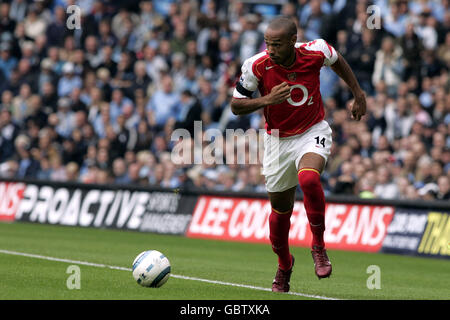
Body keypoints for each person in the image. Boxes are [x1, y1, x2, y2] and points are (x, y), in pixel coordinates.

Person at [230, 16, 366, 292]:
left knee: (309, 180)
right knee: (280, 214)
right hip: (277, 142)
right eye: (268, 44)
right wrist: (266, 100)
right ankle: (284, 265)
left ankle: (318, 246)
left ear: (293, 41)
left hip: (312, 130)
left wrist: (358, 93)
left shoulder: (316, 51)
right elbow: (236, 105)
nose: (271, 50)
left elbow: (338, 61)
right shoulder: (256, 65)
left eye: (277, 45)